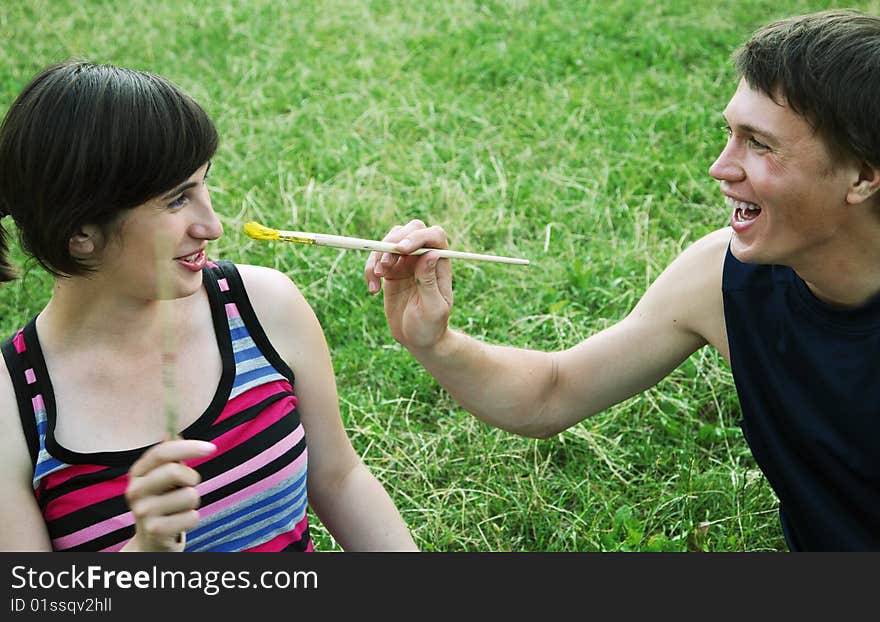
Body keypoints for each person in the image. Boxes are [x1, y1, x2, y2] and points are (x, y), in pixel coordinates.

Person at [364, 9, 880, 551]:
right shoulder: (721, 280)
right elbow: (552, 393)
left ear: (863, 177)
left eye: (760, 144)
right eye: (730, 133)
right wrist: (434, 342)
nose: (721, 167)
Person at [0, 61, 417, 552]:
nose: (212, 225)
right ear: (80, 233)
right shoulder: (13, 405)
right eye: (177, 200)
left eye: (203, 183)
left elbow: (340, 479)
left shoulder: (263, 307)